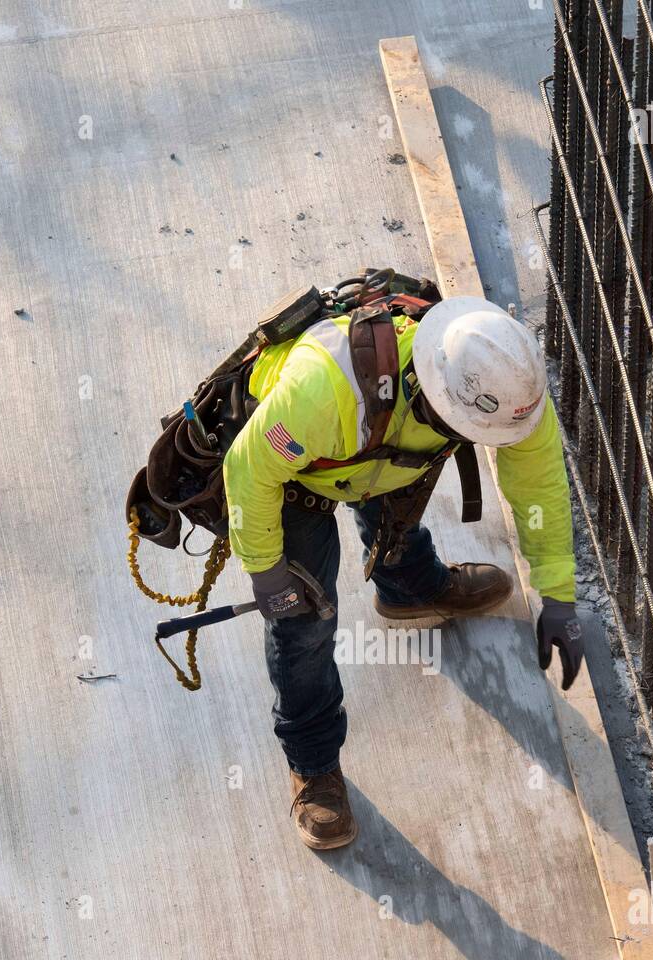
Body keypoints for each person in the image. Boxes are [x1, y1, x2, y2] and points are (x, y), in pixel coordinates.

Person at [223, 294, 584, 849]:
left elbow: (538, 488)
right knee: (304, 624)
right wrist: (268, 576)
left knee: (394, 474)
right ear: (439, 394)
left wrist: (558, 594)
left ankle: (408, 586)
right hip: (297, 478)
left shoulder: (507, 388)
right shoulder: (320, 392)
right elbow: (249, 471)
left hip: (372, 454)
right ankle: (313, 763)